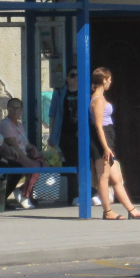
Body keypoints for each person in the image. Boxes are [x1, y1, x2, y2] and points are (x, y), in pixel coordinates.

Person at [90, 67, 140, 220]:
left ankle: (132, 210)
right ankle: (107, 211)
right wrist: (105, 147)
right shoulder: (97, 99)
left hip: (108, 136)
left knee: (116, 178)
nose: (110, 82)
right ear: (104, 80)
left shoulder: (101, 98)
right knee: (104, 176)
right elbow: (98, 125)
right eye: (109, 79)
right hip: (102, 139)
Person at [0, 98, 42, 209]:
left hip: (23, 155)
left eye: (17, 108)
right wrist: (29, 161)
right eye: (11, 107)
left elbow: (26, 144)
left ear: (21, 110)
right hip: (13, 156)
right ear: (7, 109)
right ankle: (24, 196)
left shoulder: (20, 125)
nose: (14, 110)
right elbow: (15, 147)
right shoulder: (5, 124)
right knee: (34, 168)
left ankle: (23, 190)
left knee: (43, 164)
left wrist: (37, 153)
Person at [47, 67, 81, 205]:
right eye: (72, 75)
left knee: (79, 163)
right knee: (71, 162)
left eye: (78, 75)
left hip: (79, 134)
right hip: (64, 133)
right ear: (67, 78)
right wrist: (51, 135)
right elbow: (53, 114)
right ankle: (74, 195)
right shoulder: (60, 92)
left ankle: (78, 195)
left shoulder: (85, 91)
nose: (75, 78)